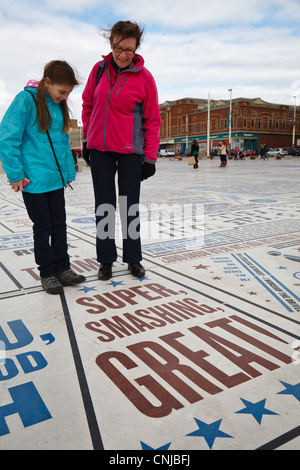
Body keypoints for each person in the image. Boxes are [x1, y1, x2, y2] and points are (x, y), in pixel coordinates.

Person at [82, 21, 161, 281]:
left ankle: (133, 258)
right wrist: (86, 139)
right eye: (117, 47)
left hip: (130, 153)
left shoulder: (145, 78)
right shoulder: (99, 71)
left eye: (128, 48)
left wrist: (149, 157)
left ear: (136, 47)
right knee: (104, 206)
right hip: (100, 151)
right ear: (111, 45)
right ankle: (106, 260)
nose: (122, 54)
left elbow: (152, 120)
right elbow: (88, 106)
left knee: (130, 207)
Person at [0, 60, 86, 294]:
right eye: (61, 91)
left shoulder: (60, 105)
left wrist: (67, 173)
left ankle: (63, 268)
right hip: (34, 181)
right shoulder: (26, 101)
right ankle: (47, 273)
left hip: (55, 180)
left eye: (68, 93)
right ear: (47, 82)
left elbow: (62, 142)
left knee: (59, 225)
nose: (64, 96)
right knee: (43, 227)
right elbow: (8, 138)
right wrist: (16, 174)